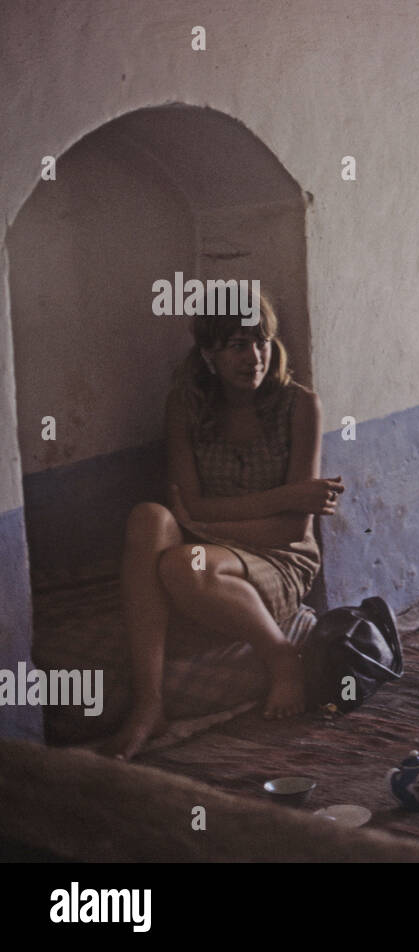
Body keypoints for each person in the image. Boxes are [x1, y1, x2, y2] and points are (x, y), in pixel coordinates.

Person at [102, 293, 344, 760]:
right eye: (236, 344)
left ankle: (282, 658)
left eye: (261, 342)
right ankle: (148, 705)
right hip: (210, 542)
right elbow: (187, 506)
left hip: (279, 558)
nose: (253, 358)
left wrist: (206, 518)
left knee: (184, 568)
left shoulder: (299, 406)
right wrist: (283, 496)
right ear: (209, 354)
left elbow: (291, 531)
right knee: (149, 518)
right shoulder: (185, 406)